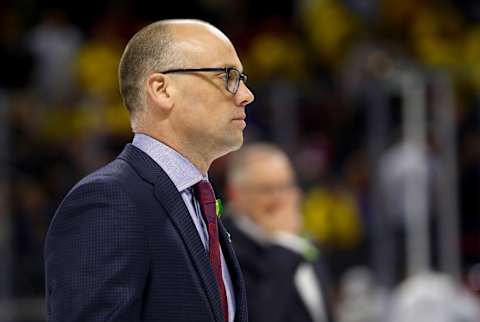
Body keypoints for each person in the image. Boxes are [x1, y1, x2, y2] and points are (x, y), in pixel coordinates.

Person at [44, 19, 254, 322]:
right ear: (161, 89)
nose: (246, 94)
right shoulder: (107, 201)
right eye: (228, 76)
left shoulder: (198, 203)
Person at [223, 143, 335, 322]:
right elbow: (260, 315)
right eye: (267, 190)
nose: (281, 198)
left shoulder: (300, 236)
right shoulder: (227, 249)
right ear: (235, 194)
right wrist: (282, 244)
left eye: (286, 186)